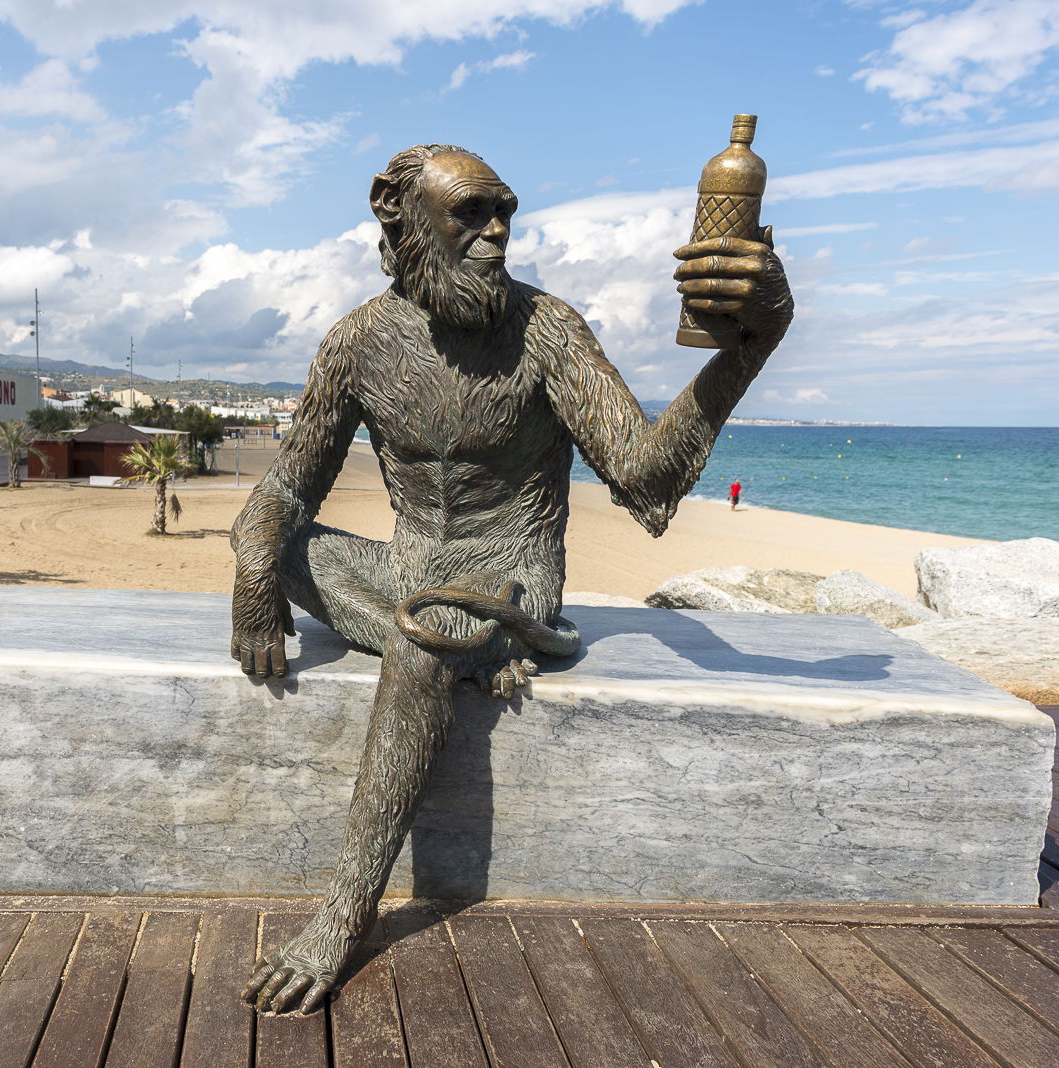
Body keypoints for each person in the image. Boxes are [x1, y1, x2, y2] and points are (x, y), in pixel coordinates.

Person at [230, 143, 793, 1014]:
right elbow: (286, 488)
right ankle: (461, 647)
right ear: (401, 219)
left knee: (421, 644)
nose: (496, 232)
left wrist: (753, 344)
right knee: (289, 545)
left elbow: (645, 482)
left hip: (511, 577)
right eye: (470, 214)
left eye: (506, 213)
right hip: (407, 568)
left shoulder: (548, 331)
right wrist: (256, 576)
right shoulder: (358, 343)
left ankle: (343, 917)